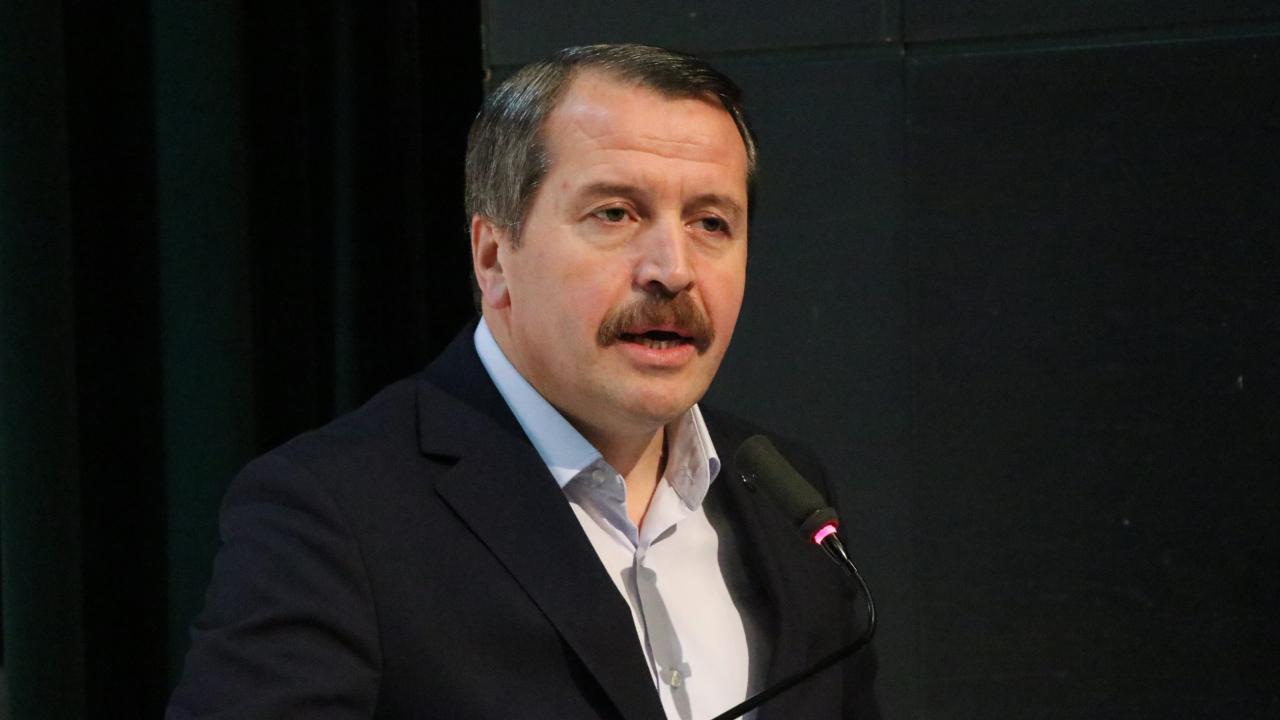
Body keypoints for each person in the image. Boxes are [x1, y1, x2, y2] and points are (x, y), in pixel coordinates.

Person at [167, 44, 878, 720]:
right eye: (615, 213)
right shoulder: (335, 515)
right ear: (493, 257)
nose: (673, 269)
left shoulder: (787, 499)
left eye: (711, 223)